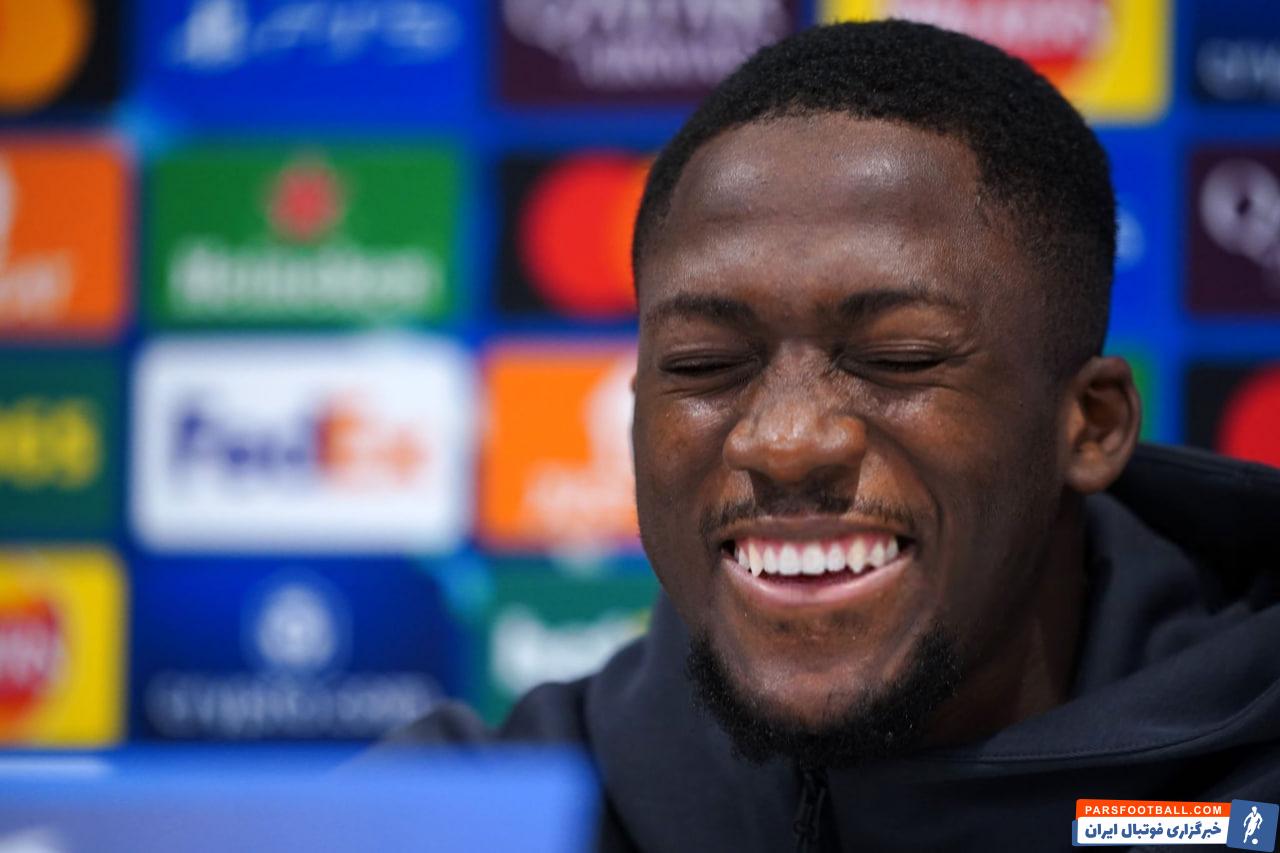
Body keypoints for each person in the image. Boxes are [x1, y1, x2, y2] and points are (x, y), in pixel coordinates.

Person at [374, 21, 1280, 851]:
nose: (785, 440)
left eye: (897, 357)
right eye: (704, 364)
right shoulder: (483, 811)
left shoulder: (1247, 811)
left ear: (1092, 425)